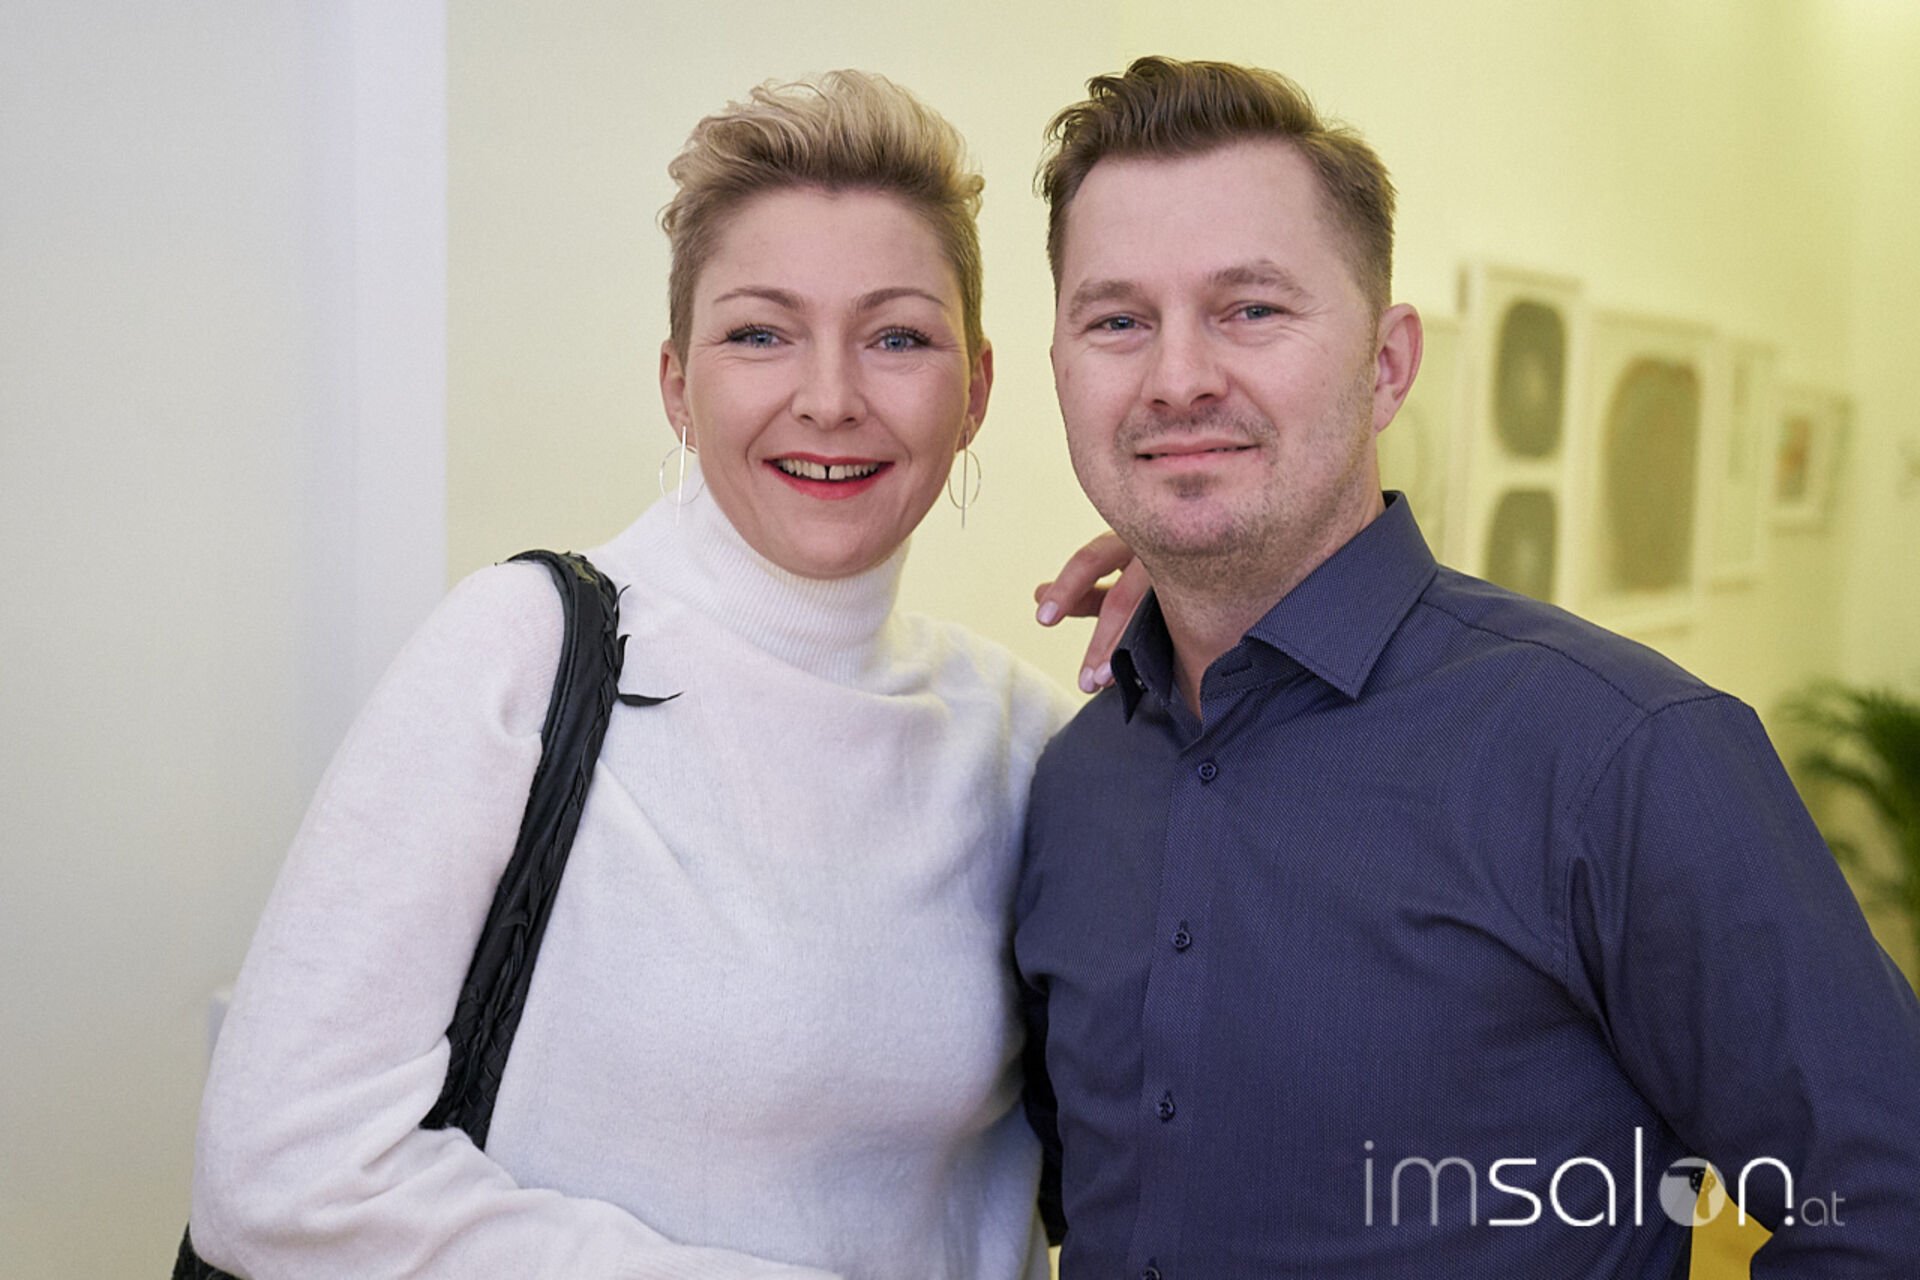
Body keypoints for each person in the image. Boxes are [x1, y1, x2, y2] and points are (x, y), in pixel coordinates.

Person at [1014, 56, 1920, 1278]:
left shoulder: (1622, 754)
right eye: (1118, 320)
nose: (1177, 378)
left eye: (1252, 309)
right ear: (1060, 369)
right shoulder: (1072, 783)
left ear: (1388, 365)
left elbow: (1885, 1209)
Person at [189, 70, 1075, 1280]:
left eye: (897, 337)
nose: (829, 398)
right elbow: (278, 1172)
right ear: (676, 385)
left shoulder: (1024, 737)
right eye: (759, 333)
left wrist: (1204, 606)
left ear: (975, 390)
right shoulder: (526, 650)